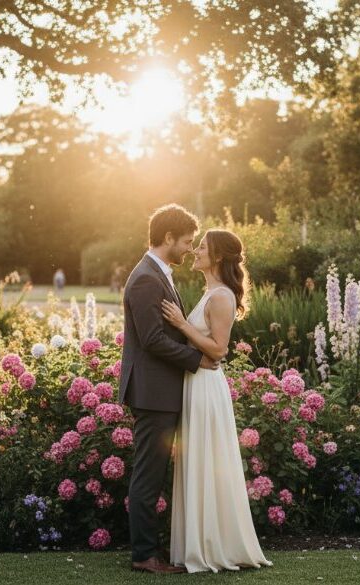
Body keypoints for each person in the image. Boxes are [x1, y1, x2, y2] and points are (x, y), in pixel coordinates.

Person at [118, 204, 220, 575]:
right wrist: (197, 359)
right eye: (187, 243)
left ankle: (151, 548)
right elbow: (153, 340)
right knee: (148, 474)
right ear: (167, 239)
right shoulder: (147, 277)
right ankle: (144, 556)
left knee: (154, 473)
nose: (190, 250)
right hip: (153, 393)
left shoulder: (158, 273)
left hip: (160, 390)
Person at [163, 229, 272, 573]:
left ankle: (211, 547)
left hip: (207, 388)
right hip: (195, 384)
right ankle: (197, 544)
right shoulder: (209, 292)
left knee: (206, 460)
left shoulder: (222, 296)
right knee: (197, 461)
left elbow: (219, 350)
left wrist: (182, 324)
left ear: (219, 257)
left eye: (203, 248)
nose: (195, 251)